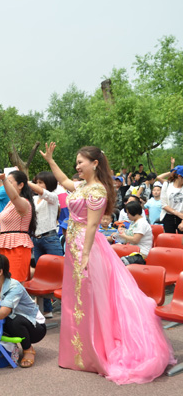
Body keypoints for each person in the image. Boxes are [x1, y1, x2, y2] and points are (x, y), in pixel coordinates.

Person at [40, 142, 175, 384]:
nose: (77, 166)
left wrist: (85, 255)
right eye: (77, 162)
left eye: (81, 162)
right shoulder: (83, 186)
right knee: (80, 297)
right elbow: (66, 182)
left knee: (91, 297)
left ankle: (94, 352)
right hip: (74, 244)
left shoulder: (98, 190)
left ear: (95, 163)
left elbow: (92, 225)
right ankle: (80, 353)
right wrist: (50, 161)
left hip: (86, 245)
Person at [29, 171, 63, 317]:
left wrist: (24, 179)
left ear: (48, 183)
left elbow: (43, 193)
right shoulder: (34, 198)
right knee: (41, 274)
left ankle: (66, 305)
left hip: (50, 238)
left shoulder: (53, 197)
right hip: (36, 239)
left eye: (40, 182)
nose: (37, 185)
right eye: (36, 182)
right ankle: (47, 309)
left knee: (60, 273)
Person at [0, 170, 36, 282]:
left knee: (14, 284)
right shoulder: (10, 203)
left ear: (21, 185)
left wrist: (3, 179)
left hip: (17, 246)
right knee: (4, 282)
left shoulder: (23, 202)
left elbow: (14, 198)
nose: (6, 185)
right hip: (5, 244)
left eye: (9, 182)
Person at [158, 165, 183, 234]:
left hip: (182, 218)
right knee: (169, 238)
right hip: (169, 216)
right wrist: (177, 213)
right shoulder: (167, 185)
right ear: (179, 176)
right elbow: (164, 204)